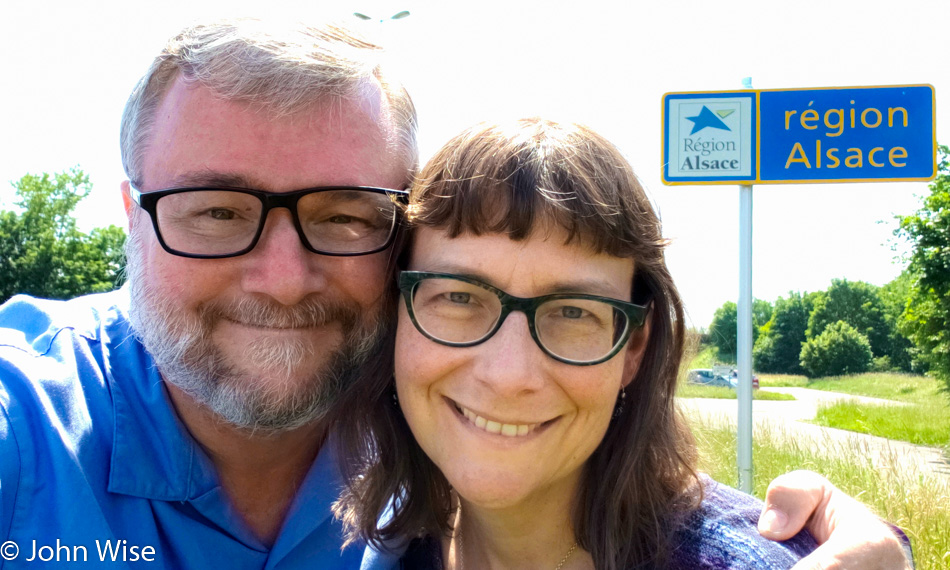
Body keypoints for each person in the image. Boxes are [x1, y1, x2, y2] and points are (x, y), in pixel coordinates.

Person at [0, 18, 911, 570]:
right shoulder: (26, 423)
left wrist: (762, 539)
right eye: (213, 210)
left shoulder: (413, 442)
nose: (283, 279)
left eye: (346, 214)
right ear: (131, 212)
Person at [333, 118, 913, 570]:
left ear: (634, 348)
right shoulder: (393, 543)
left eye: (573, 312)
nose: (509, 374)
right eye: (459, 297)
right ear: (396, 315)